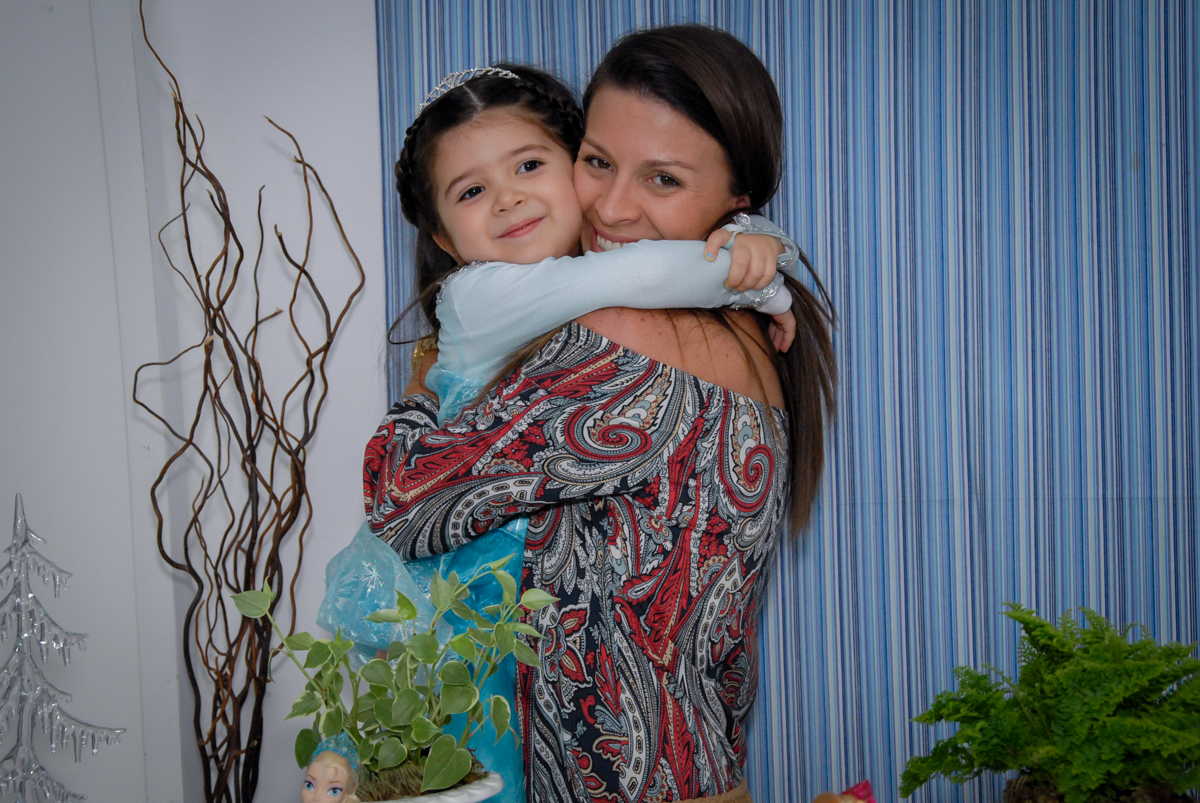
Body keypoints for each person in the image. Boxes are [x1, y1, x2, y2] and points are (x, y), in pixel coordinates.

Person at [364, 25, 836, 803]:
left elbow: (402, 497)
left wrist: (420, 389)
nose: (613, 208)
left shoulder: (629, 339)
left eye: (664, 180)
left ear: (736, 196)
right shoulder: (738, 332)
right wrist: (755, 249)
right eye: (598, 162)